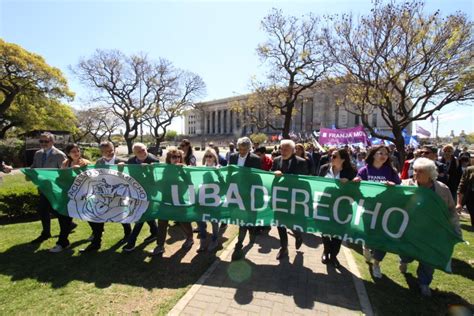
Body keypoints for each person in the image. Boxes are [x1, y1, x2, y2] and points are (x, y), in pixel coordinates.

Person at [401, 158, 461, 296]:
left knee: (428, 259)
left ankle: (424, 283)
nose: (416, 173)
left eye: (420, 171)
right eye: (415, 170)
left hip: (432, 232)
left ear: (430, 174)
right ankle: (404, 261)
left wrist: (455, 228)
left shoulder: (443, 190)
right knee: (407, 254)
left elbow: (451, 210)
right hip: (410, 230)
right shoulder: (406, 185)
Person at [354, 145, 401, 278]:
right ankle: (366, 245)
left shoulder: (391, 171)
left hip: (386, 209)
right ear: (373, 155)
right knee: (369, 235)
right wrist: (356, 181)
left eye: (386, 153)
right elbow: (357, 186)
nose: (384, 155)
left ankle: (376, 264)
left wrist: (394, 185)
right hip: (369, 209)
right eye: (380, 153)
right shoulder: (364, 170)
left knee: (382, 238)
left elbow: (399, 186)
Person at [80, 141, 131, 252]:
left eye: (111, 150)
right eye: (106, 151)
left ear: (114, 149)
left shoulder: (123, 162)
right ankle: (96, 243)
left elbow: (131, 178)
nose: (109, 153)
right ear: (101, 152)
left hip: (119, 196)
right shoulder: (98, 162)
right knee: (97, 217)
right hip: (102, 196)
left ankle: (128, 236)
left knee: (123, 217)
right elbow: (94, 176)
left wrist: (124, 168)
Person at [318, 148, 357, 268]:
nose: (331, 158)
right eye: (331, 155)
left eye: (334, 156)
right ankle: (326, 251)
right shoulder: (324, 168)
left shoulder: (351, 171)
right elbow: (317, 183)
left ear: (343, 159)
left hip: (342, 206)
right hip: (325, 204)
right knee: (324, 229)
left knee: (338, 232)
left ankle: (334, 255)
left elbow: (356, 190)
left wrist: (350, 183)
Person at [49, 144, 91, 252]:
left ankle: (97, 234)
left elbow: (91, 177)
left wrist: (79, 171)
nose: (76, 153)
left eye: (78, 151)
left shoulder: (85, 163)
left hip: (82, 196)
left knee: (89, 217)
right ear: (68, 153)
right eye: (73, 151)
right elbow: (61, 178)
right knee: (64, 219)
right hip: (67, 196)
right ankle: (62, 243)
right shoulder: (65, 163)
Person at [151, 147, 194, 255]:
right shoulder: (164, 169)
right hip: (165, 200)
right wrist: (151, 168)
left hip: (179, 200)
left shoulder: (183, 169)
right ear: (169, 158)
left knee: (183, 221)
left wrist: (183, 171)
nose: (177, 159)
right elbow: (158, 182)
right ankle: (160, 246)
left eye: (179, 157)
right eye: (174, 157)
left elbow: (190, 184)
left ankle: (190, 238)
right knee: (162, 223)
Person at [271, 139, 309, 260]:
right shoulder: (276, 161)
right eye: (281, 148)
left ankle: (298, 235)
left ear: (292, 150)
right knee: (280, 223)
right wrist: (274, 174)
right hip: (279, 198)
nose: (283, 151)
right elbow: (270, 176)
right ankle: (284, 247)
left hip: (293, 199)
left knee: (290, 222)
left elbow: (304, 180)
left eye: (286, 149)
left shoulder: (301, 162)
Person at [30, 132, 68, 244]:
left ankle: (67, 226)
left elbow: (64, 173)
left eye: (46, 141)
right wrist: (30, 172)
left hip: (55, 188)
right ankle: (46, 233)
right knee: (43, 210)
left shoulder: (59, 154)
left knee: (54, 209)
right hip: (43, 187)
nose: (43, 143)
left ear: (52, 142)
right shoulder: (37, 154)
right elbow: (34, 167)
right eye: (41, 141)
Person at [229, 137, 262, 261]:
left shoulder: (255, 159)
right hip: (236, 193)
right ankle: (241, 242)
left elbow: (257, 177)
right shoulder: (232, 157)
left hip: (249, 194)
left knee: (247, 220)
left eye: (244, 149)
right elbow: (230, 173)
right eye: (240, 149)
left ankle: (243, 241)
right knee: (242, 220)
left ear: (249, 148)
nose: (242, 151)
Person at [122, 143, 159, 252]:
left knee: (140, 215)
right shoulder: (131, 161)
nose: (143, 152)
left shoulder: (154, 160)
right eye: (139, 151)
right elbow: (131, 176)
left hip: (150, 192)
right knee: (146, 214)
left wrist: (147, 170)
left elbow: (155, 179)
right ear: (134, 153)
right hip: (136, 192)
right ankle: (155, 232)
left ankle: (131, 242)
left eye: (143, 150)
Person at [197, 147, 223, 252]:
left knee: (214, 221)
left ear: (214, 157)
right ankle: (203, 240)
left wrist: (218, 173)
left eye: (210, 156)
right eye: (206, 156)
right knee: (200, 220)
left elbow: (224, 183)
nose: (208, 158)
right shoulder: (201, 168)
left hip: (214, 199)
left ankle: (215, 239)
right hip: (202, 198)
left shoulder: (219, 168)